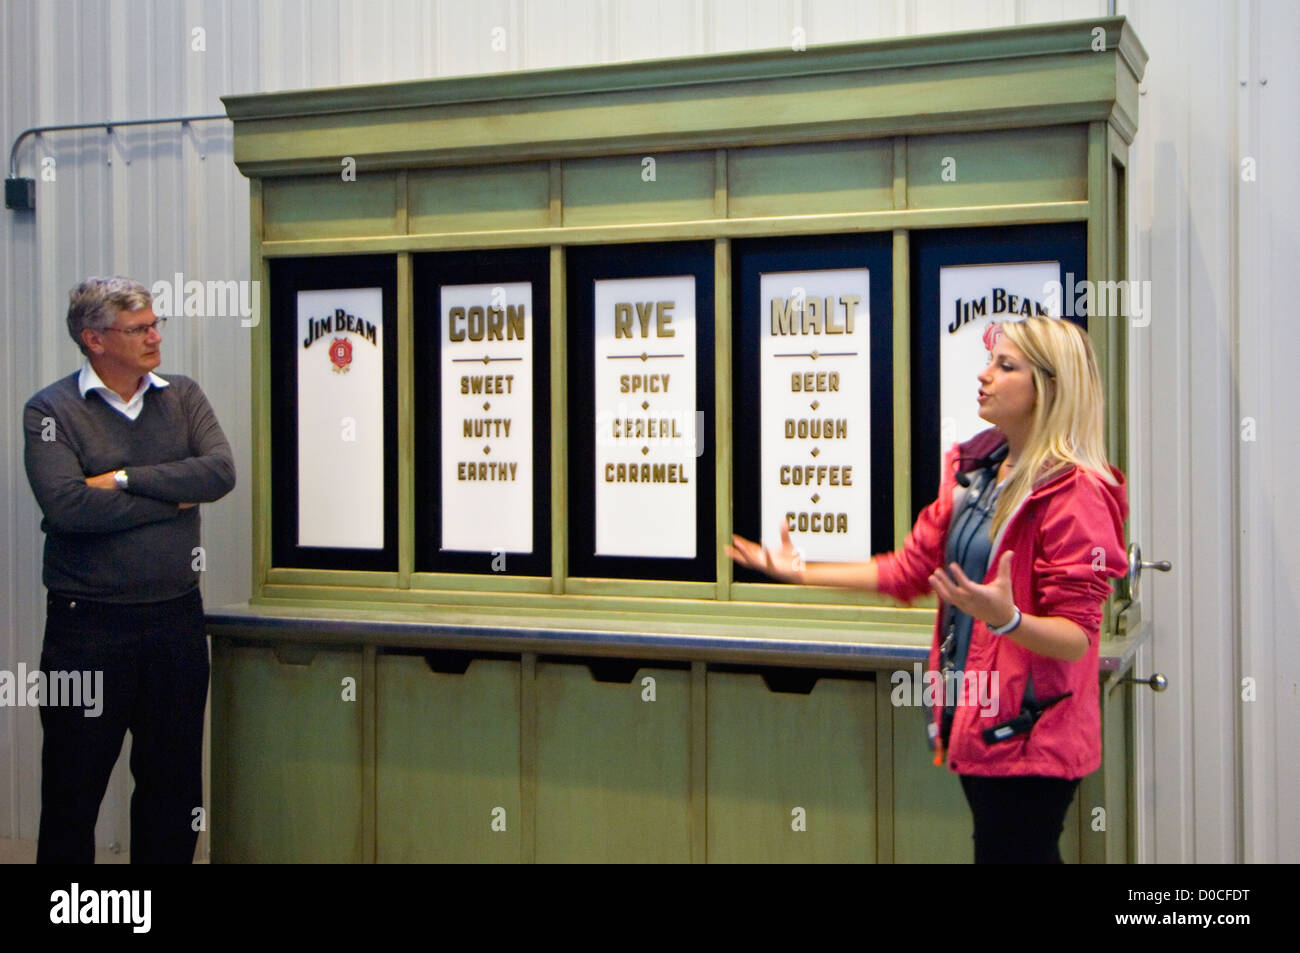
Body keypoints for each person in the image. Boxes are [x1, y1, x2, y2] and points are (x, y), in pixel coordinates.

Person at [729, 316, 1127, 864]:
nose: (984, 375)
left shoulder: (1076, 492)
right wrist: (802, 571)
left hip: (1032, 736)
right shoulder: (978, 469)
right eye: (990, 361)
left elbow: (1078, 638)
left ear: (1050, 388)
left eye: (1005, 366)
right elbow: (909, 570)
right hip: (975, 722)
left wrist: (1007, 617)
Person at [23, 276, 236, 863]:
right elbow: (67, 506)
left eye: (154, 323)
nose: (154, 336)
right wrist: (174, 491)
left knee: (172, 790)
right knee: (73, 788)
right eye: (139, 328)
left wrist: (123, 478)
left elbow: (217, 473)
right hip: (85, 629)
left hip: (174, 621)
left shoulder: (183, 396)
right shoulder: (51, 410)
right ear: (95, 339)